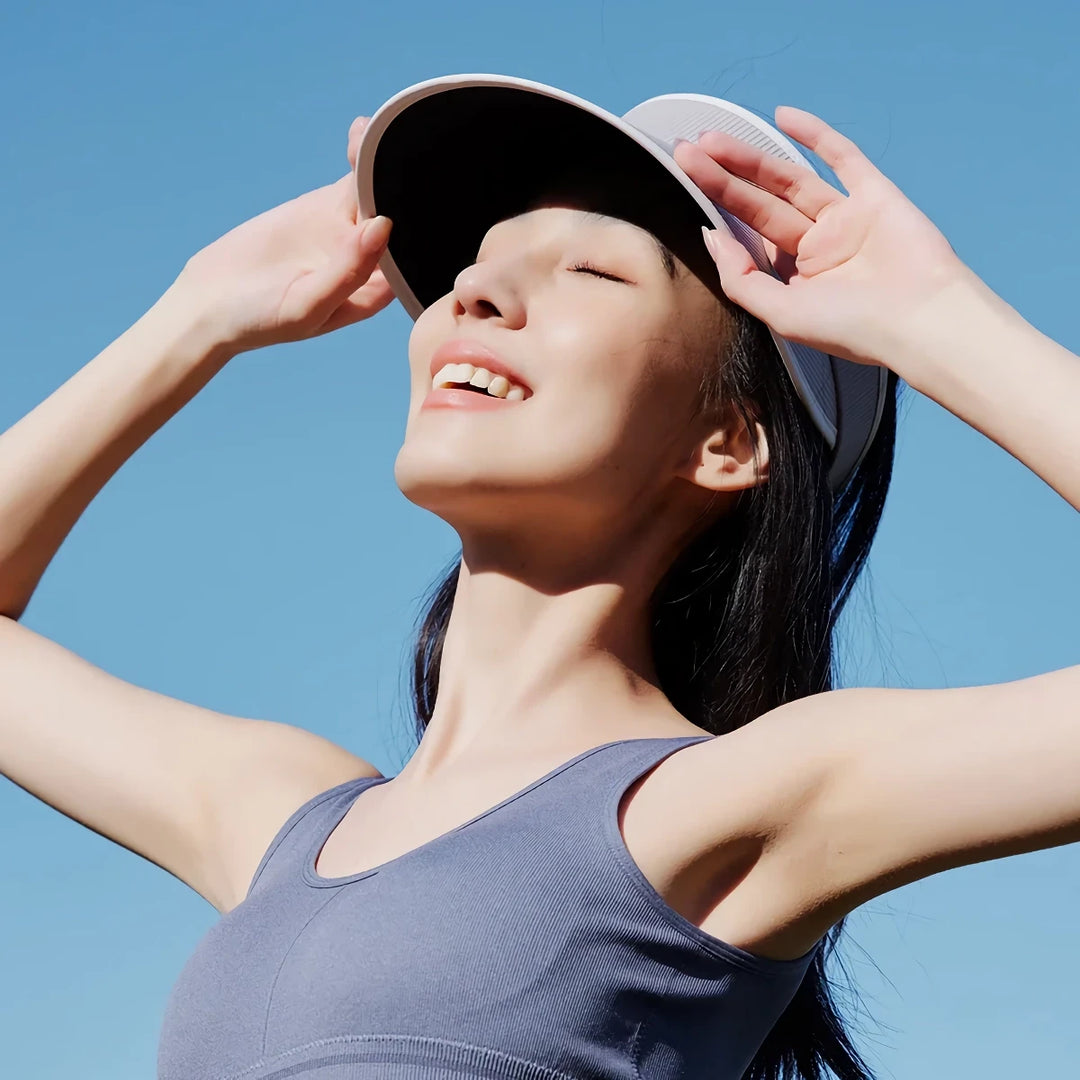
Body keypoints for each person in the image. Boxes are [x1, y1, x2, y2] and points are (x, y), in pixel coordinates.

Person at [0, 94, 1076, 1080]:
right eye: (478, 263)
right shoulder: (283, 819)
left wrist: (941, 322)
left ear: (727, 441)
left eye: (591, 274)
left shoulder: (724, 809)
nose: (475, 290)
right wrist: (196, 317)